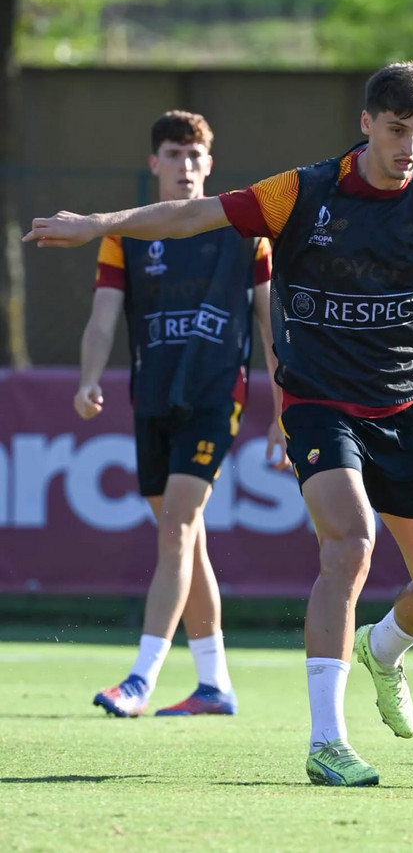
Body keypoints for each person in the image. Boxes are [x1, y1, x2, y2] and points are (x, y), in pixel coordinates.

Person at [25, 63, 413, 782]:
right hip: (318, 402)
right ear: (366, 123)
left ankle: (383, 649)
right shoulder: (303, 191)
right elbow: (191, 215)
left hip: (406, 409)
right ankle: (327, 742)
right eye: (396, 130)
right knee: (351, 541)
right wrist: (99, 225)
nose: (408, 148)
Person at [72, 109, 288, 718]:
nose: (185, 166)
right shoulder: (126, 234)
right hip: (152, 398)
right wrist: (88, 378)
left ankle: (140, 679)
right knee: (185, 543)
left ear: (209, 164)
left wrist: (282, 410)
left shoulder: (245, 233)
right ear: (154, 163)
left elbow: (270, 326)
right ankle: (214, 684)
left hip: (216, 397)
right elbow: (102, 317)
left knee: (177, 528)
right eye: (174, 155)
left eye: (195, 156)